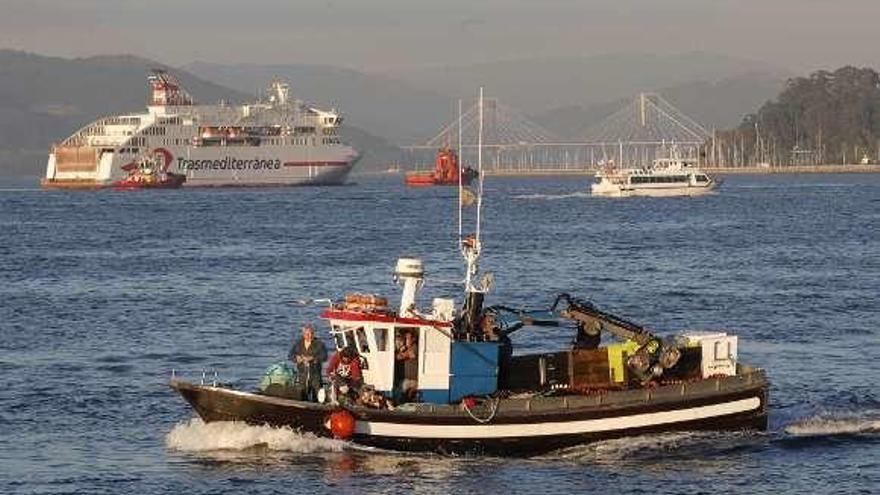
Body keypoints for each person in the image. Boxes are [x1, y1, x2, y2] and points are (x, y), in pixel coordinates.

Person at [289, 323, 328, 401]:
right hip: (302, 373)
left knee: (317, 395)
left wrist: (313, 358)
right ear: (303, 334)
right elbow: (290, 355)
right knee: (302, 393)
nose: (309, 336)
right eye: (307, 334)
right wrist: (297, 358)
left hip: (315, 374)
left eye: (311, 334)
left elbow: (324, 357)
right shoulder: (298, 344)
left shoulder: (319, 344)